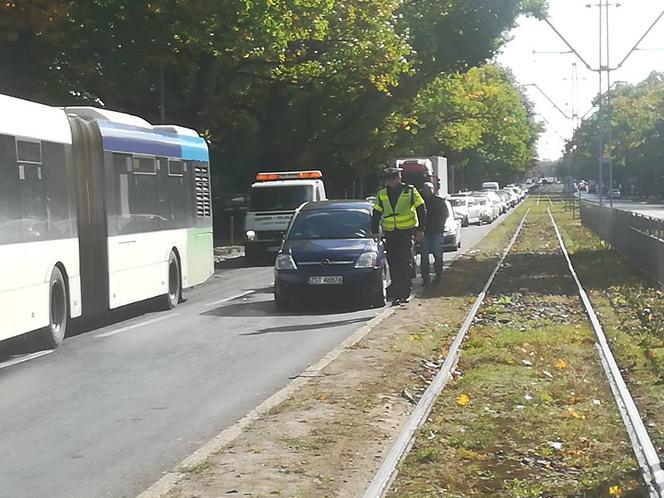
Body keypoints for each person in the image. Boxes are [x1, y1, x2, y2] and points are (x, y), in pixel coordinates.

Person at [371, 167, 426, 305]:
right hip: (390, 232)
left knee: (405, 261)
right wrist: (375, 231)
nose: (391, 182)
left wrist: (420, 229)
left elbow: (421, 209)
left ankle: (405, 291)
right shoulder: (382, 194)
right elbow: (376, 213)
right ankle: (397, 293)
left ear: (399, 178)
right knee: (393, 263)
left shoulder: (410, 191)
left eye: (393, 179)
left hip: (406, 231)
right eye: (389, 180)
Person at [419, 182, 446, 286]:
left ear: (433, 190)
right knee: (424, 257)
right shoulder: (420, 201)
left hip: (436, 232)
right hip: (424, 233)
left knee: (438, 255)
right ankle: (425, 278)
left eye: (430, 189)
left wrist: (441, 227)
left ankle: (438, 276)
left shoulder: (439, 201)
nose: (427, 191)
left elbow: (445, 215)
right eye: (425, 189)